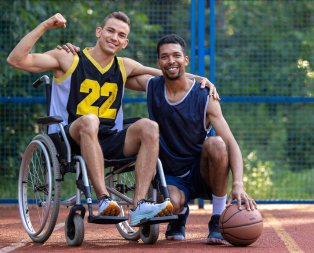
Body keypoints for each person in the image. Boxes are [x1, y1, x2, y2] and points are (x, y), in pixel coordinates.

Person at [7, 13, 215, 226]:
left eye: (121, 35)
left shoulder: (124, 66)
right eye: (110, 31)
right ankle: (104, 199)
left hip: (107, 139)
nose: (115, 37)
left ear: (125, 43)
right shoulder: (68, 58)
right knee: (90, 120)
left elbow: (165, 74)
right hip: (68, 138)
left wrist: (200, 80)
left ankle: (140, 205)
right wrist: (46, 25)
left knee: (149, 127)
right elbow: (16, 59)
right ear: (99, 32)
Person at [121, 34, 257, 245]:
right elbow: (120, 71)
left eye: (176, 56)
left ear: (186, 59)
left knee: (218, 144)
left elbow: (231, 144)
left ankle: (217, 218)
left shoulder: (205, 96)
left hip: (202, 171)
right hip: (172, 175)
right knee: (170, 205)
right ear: (158, 62)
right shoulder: (152, 86)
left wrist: (238, 183)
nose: (171, 61)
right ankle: (180, 213)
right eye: (164, 57)